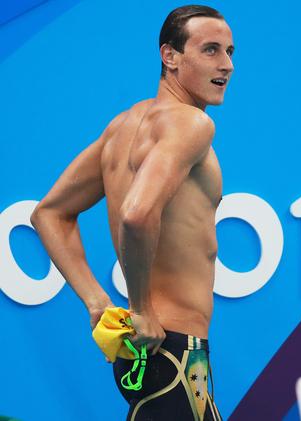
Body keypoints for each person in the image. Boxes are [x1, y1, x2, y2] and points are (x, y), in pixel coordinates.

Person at [30, 4, 234, 420]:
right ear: (170, 56)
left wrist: (96, 303)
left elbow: (48, 214)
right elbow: (137, 214)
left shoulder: (121, 128)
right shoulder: (193, 125)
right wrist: (140, 308)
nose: (227, 65)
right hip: (173, 349)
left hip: (145, 353)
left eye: (231, 52)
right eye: (210, 50)